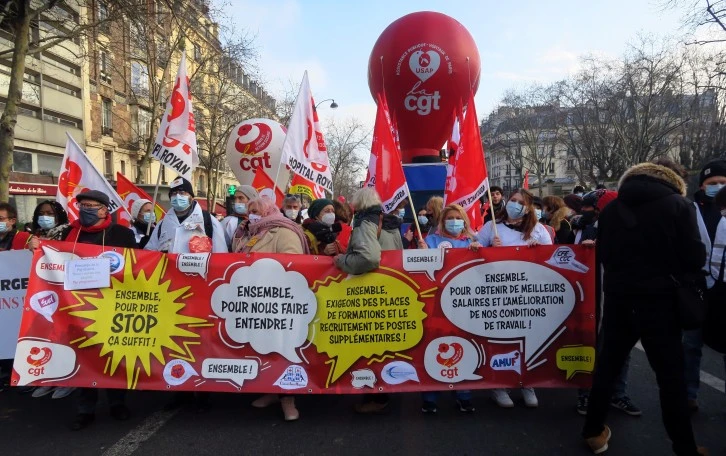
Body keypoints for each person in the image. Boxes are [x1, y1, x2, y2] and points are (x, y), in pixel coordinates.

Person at [582, 161, 708, 456]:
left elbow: (604, 254)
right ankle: (684, 446)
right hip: (661, 301)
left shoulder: (612, 209)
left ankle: (592, 431)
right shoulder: (679, 205)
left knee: (607, 367)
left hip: (619, 298)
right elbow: (694, 256)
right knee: (670, 377)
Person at [53, 190, 136, 430]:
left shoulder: (122, 234)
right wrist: (35, 246)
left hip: (111, 303)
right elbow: (50, 255)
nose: (85, 210)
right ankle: (85, 409)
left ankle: (117, 402)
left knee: (113, 354)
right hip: (77, 305)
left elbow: (136, 264)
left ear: (103, 210)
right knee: (83, 355)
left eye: (90, 206)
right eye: (82, 206)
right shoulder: (68, 233)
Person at [231, 197, 309, 421]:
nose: (253, 215)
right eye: (251, 211)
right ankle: (270, 390)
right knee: (262, 350)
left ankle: (288, 399)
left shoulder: (284, 231)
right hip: (253, 302)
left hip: (279, 302)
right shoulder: (247, 232)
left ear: (268, 211)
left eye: (257, 211)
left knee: (282, 350)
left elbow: (295, 264)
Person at [476, 188, 552, 408]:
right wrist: (488, 248)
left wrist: (538, 251)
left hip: (528, 293)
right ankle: (499, 385)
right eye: (513, 200)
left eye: (520, 202)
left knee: (528, 338)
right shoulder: (492, 226)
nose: (515, 204)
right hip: (498, 292)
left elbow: (552, 258)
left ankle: (527, 383)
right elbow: (474, 251)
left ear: (528, 208)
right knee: (501, 339)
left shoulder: (538, 230)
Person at [570, 189, 641, 417]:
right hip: (594, 299)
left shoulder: (634, 229)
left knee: (622, 348)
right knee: (590, 345)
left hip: (624, 297)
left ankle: (618, 394)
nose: (585, 211)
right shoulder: (586, 230)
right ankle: (585, 392)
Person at [334, 188, 399, 413]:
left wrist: (342, 260)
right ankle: (387, 388)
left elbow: (369, 258)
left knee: (371, 346)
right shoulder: (389, 223)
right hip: (390, 290)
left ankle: (377, 396)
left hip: (370, 293)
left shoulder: (364, 223)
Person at [421, 204, 481, 413]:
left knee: (464, 345)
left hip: (464, 302)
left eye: (458, 217)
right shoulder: (430, 241)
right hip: (436, 301)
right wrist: (420, 252)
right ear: (442, 221)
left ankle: (464, 394)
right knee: (434, 345)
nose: (454, 221)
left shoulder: (472, 241)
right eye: (450, 218)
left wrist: (482, 250)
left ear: (464, 220)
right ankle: (430, 395)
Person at [683, 159, 726, 412]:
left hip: (723, 288)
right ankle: (689, 394)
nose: (717, 186)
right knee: (691, 344)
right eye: (713, 182)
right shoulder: (689, 209)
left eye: (722, 182)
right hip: (697, 287)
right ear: (702, 185)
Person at [145, 177, 226, 254]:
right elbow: (151, 253)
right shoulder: (162, 224)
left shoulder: (209, 221)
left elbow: (221, 255)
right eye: (174, 193)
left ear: (191, 197)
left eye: (182, 193)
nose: (177, 196)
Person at [221, 185, 258, 250]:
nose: (236, 202)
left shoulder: (261, 220)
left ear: (251, 200)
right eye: (235, 198)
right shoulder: (228, 221)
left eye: (241, 198)